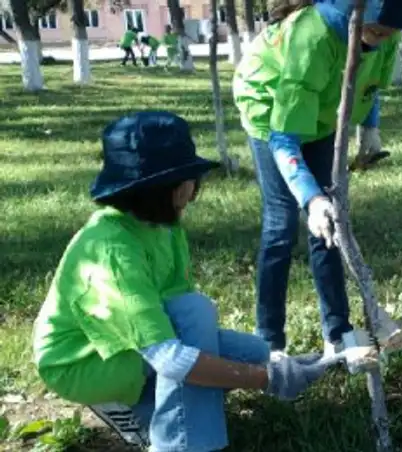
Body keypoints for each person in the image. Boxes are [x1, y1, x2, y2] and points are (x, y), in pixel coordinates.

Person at [31, 111, 336, 451]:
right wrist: (264, 379)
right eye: (189, 179)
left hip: (130, 345)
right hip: (84, 362)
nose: (195, 190)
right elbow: (171, 358)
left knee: (249, 347)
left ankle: (143, 407)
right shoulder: (113, 252)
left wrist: (271, 362)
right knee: (200, 322)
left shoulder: (163, 226)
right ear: (167, 187)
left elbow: (181, 318)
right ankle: (180, 444)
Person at [231, 0, 402, 360]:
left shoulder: (387, 32)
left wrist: (370, 128)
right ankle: (269, 340)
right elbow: (283, 137)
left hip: (324, 120)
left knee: (330, 227)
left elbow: (370, 85)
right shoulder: (313, 38)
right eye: (378, 30)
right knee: (281, 225)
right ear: (356, 12)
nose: (384, 39)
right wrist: (311, 197)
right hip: (269, 109)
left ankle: (337, 332)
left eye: (390, 33)